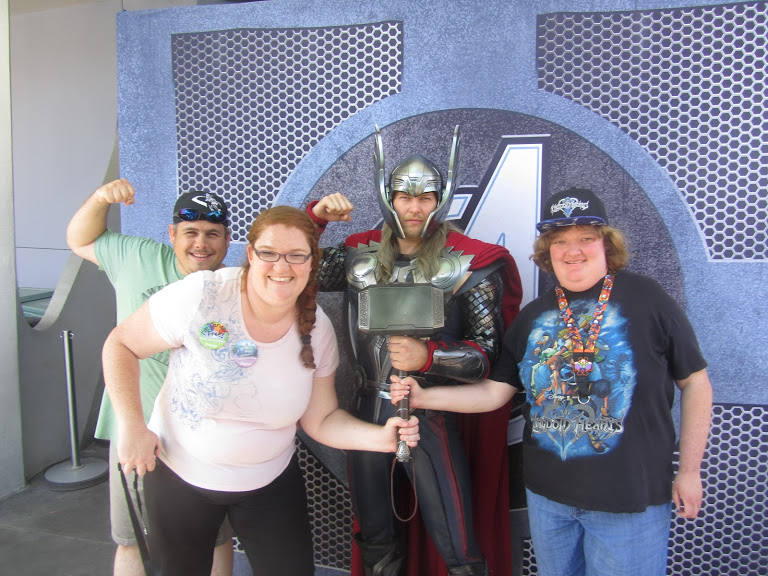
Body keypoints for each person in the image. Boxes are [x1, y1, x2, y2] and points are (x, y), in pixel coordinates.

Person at [390, 187, 713, 576]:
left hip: (629, 501)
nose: (573, 250)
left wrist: (689, 470)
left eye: (586, 238)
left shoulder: (648, 298)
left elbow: (695, 382)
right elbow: (495, 393)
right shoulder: (533, 316)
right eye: (559, 240)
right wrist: (423, 397)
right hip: (549, 502)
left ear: (606, 244)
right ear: (547, 250)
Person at [101, 205, 421, 576]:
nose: (282, 267)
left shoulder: (317, 330)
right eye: (269, 253)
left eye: (296, 255)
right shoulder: (202, 295)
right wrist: (132, 426)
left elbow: (321, 420)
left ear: (312, 263)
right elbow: (120, 345)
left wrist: (381, 438)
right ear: (251, 254)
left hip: (269, 482)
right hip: (180, 477)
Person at [307, 126, 523, 576]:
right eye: (405, 197)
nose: (414, 207)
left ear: (440, 200)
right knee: (376, 539)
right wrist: (315, 221)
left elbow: (485, 355)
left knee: (457, 542)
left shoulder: (469, 262)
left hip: (430, 412)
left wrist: (430, 357)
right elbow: (293, 267)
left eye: (425, 197)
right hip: (368, 407)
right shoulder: (358, 254)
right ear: (389, 197)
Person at [66, 179, 235, 576]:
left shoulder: (233, 286)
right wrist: (100, 199)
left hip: (205, 437)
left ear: (228, 241)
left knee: (214, 538)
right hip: (135, 430)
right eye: (191, 232)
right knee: (132, 540)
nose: (201, 243)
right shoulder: (136, 256)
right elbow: (78, 239)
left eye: (213, 234)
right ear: (172, 234)